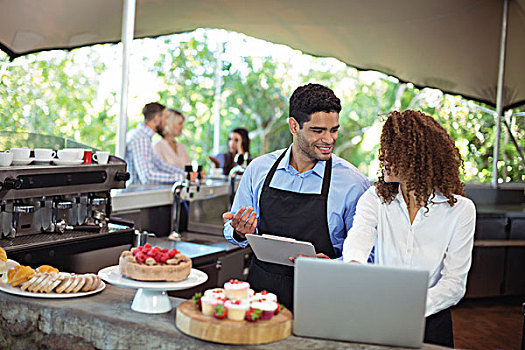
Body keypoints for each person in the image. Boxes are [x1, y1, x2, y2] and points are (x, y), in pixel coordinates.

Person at [223, 83, 370, 310]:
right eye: (318, 131)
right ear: (294, 126)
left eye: (334, 130)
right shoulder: (258, 169)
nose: (329, 139)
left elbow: (367, 256)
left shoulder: (353, 183)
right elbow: (231, 231)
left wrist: (335, 265)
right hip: (261, 294)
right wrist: (239, 231)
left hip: (322, 297)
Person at [342, 110, 476, 347]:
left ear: (418, 158)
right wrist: (353, 270)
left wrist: (406, 306)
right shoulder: (375, 198)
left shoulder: (461, 210)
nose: (383, 158)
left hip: (432, 318)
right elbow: (358, 239)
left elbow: (454, 284)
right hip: (379, 313)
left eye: (393, 151)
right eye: (384, 149)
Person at [125, 102, 185, 185]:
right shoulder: (141, 138)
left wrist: (185, 174)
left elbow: (160, 164)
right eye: (165, 117)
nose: (166, 122)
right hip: (137, 194)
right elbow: (147, 176)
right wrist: (181, 177)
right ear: (157, 118)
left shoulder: (145, 137)